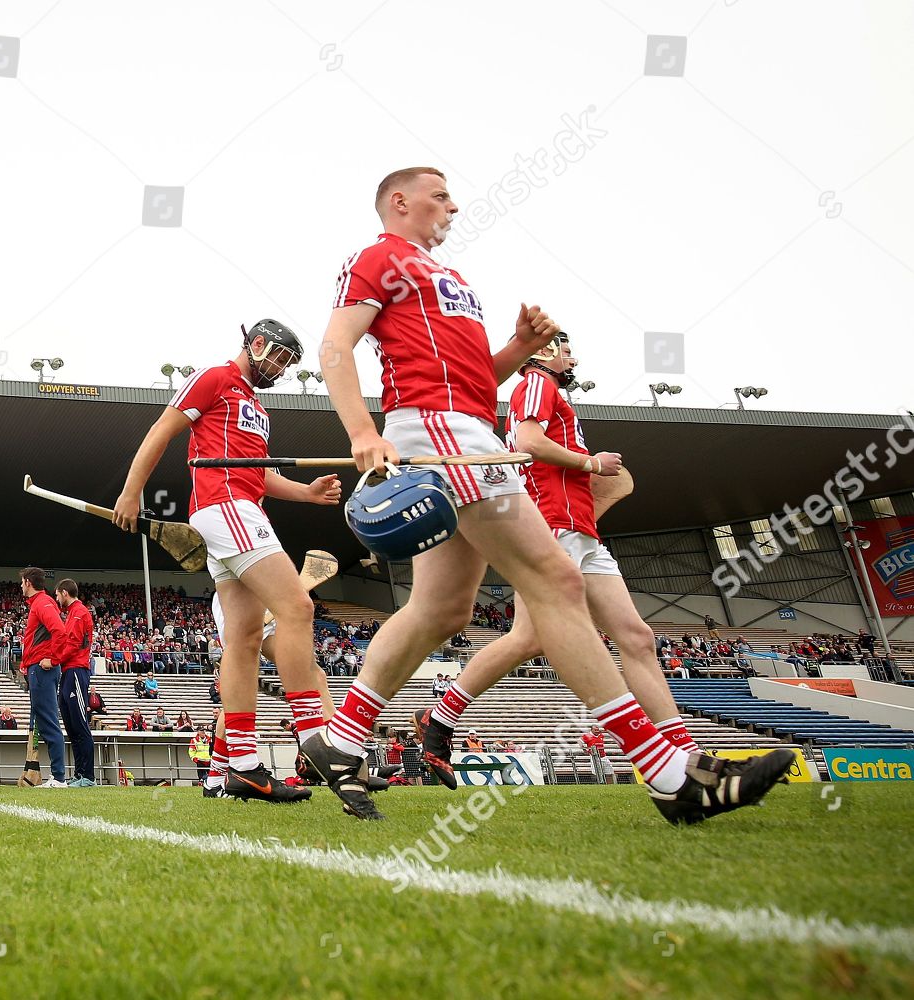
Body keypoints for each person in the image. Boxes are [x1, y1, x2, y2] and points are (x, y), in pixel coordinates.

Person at [302, 166, 794, 823]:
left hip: (467, 425)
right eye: (439, 194)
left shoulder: (447, 277)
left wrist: (516, 348)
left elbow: (474, 378)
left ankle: (338, 741)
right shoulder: (379, 256)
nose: (452, 204)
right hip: (443, 433)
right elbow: (335, 345)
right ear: (400, 201)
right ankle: (670, 774)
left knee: (441, 610)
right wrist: (362, 430)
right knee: (557, 582)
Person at [415, 335, 708, 789]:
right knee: (529, 638)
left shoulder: (551, 389)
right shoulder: (537, 381)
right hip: (554, 523)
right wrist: (590, 463)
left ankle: (687, 754)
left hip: (582, 528)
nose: (573, 357)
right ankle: (440, 715)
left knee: (637, 637)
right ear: (543, 354)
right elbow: (530, 441)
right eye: (566, 348)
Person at [113, 319, 340, 803]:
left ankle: (242, 767)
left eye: (287, 363)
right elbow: (163, 429)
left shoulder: (257, 405)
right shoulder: (214, 377)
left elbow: (258, 475)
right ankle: (316, 736)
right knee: (298, 607)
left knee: (245, 638)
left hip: (242, 503)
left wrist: (307, 492)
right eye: (275, 356)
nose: (279, 368)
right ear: (254, 344)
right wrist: (132, 492)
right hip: (226, 507)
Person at [19, 567, 75, 788]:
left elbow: (60, 632)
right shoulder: (41, 603)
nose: (21, 586)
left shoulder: (42, 604)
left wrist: (52, 659)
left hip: (42, 668)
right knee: (45, 721)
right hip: (38, 667)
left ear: (28, 582)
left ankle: (59, 777)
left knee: (49, 721)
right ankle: (56, 775)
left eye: (22, 582)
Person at [55, 578, 97, 787]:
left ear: (64, 592)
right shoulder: (73, 613)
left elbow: (72, 644)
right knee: (72, 725)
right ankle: (79, 773)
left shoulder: (79, 613)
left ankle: (87, 775)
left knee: (79, 723)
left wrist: (53, 659)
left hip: (76, 670)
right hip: (69, 671)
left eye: (57, 594)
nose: (56, 599)